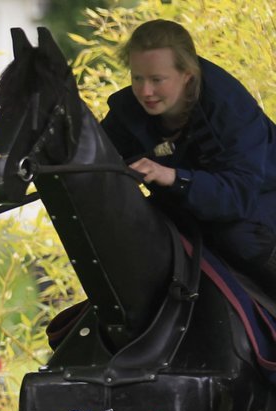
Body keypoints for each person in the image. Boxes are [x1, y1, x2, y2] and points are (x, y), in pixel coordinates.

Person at [101, 19, 276, 290]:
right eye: (137, 78)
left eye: (157, 80)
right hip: (190, 202)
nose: (145, 91)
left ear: (187, 75)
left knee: (239, 239)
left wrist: (174, 177)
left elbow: (238, 195)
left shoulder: (229, 106)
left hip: (259, 198)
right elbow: (98, 161)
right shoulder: (127, 110)